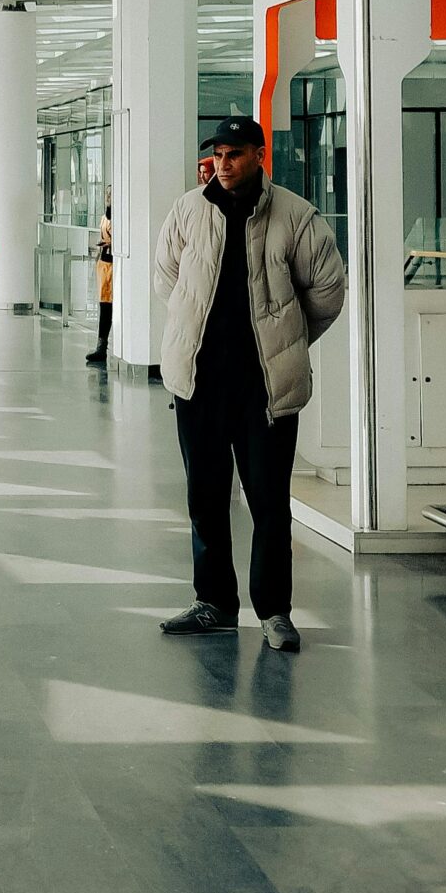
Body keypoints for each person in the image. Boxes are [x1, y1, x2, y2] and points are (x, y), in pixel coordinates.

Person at [154, 114, 346, 653]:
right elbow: (166, 277)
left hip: (265, 388)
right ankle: (213, 602)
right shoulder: (188, 211)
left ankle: (274, 610)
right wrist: (196, 329)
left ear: (260, 156)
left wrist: (285, 340)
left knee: (268, 502)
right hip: (199, 383)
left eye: (234, 154)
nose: (223, 163)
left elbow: (327, 290)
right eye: (218, 154)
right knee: (205, 496)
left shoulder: (296, 216)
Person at [85, 195, 113, 366]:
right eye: (107, 195)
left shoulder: (119, 217)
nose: (108, 198)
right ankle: (101, 346)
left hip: (113, 264)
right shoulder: (105, 217)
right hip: (104, 264)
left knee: (109, 307)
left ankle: (103, 346)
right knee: (104, 306)